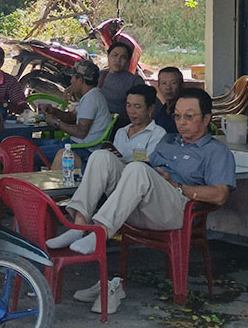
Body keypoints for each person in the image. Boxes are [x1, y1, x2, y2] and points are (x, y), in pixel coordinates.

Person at [47, 88, 236, 313]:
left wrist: (179, 186)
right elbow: (147, 168)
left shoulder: (217, 151)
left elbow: (220, 195)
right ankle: (79, 226)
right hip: (143, 202)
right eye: (177, 116)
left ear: (206, 119)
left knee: (137, 169)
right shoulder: (169, 140)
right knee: (101, 157)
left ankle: (99, 234)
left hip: (176, 209)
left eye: (189, 116)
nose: (181, 122)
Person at [39, 59, 110, 167]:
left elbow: (81, 132)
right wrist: (55, 111)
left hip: (83, 149)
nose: (71, 81)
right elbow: (72, 117)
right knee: (33, 143)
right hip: (76, 145)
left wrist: (56, 123)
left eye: (72, 77)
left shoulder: (91, 99)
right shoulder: (91, 95)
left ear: (80, 80)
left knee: (32, 153)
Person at [104, 84, 165, 162]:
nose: (131, 111)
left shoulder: (157, 133)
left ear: (150, 108)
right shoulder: (121, 132)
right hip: (117, 171)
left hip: (138, 172)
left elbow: (147, 163)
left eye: (137, 106)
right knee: (100, 155)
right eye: (128, 105)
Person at [98, 41, 144, 118]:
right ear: (108, 56)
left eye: (123, 57)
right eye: (115, 55)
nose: (118, 60)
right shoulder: (100, 75)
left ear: (128, 61)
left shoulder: (134, 81)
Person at [154, 66, 184, 134]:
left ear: (181, 85)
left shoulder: (184, 110)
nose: (168, 87)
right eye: (164, 83)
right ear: (158, 86)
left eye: (173, 83)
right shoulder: (160, 110)